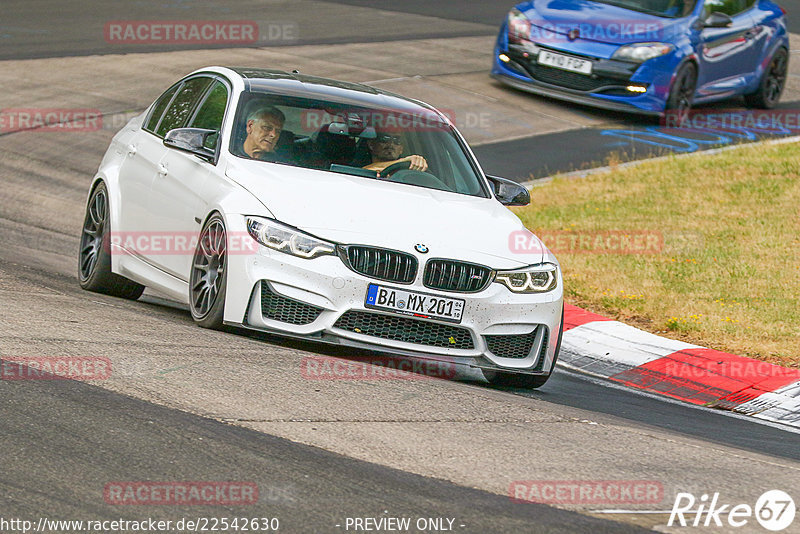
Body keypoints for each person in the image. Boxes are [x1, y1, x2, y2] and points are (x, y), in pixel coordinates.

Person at [362, 132, 428, 174]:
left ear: (401, 149)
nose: (391, 144)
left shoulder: (406, 174)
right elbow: (364, 170)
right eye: (385, 139)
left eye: (397, 141)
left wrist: (419, 164)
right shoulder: (355, 171)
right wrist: (404, 161)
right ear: (371, 144)